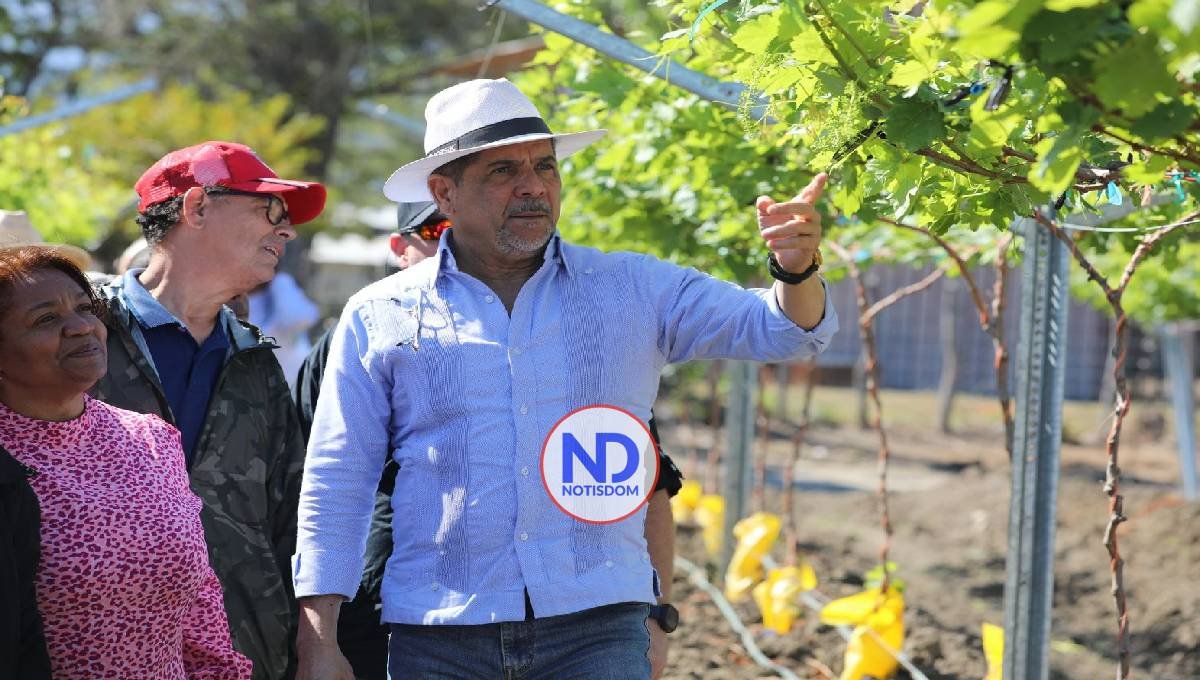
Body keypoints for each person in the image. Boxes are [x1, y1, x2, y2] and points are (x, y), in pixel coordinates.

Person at [294, 78, 836, 680]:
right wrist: (319, 638)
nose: (533, 187)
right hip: (439, 631)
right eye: (503, 171)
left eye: (545, 167)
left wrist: (795, 268)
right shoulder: (379, 314)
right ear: (444, 193)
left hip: (597, 626)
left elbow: (785, 330)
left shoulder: (632, 289)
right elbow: (337, 478)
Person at [292, 201, 686, 680]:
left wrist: (659, 616)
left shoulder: (574, 350)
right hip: (394, 618)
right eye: (438, 229)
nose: (455, 242)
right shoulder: (350, 343)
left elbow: (649, 487)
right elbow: (322, 487)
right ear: (400, 248)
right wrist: (319, 631)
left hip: (575, 628)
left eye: (466, 226)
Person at [89, 141, 326, 680]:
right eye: (270, 212)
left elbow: (292, 522)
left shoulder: (256, 360)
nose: (285, 232)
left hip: (243, 655)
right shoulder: (81, 333)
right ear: (196, 207)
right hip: (97, 650)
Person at [0, 246, 251, 679]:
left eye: (85, 308)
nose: (80, 328)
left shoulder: (150, 438)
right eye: (45, 319)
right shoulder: (6, 458)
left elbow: (200, 600)